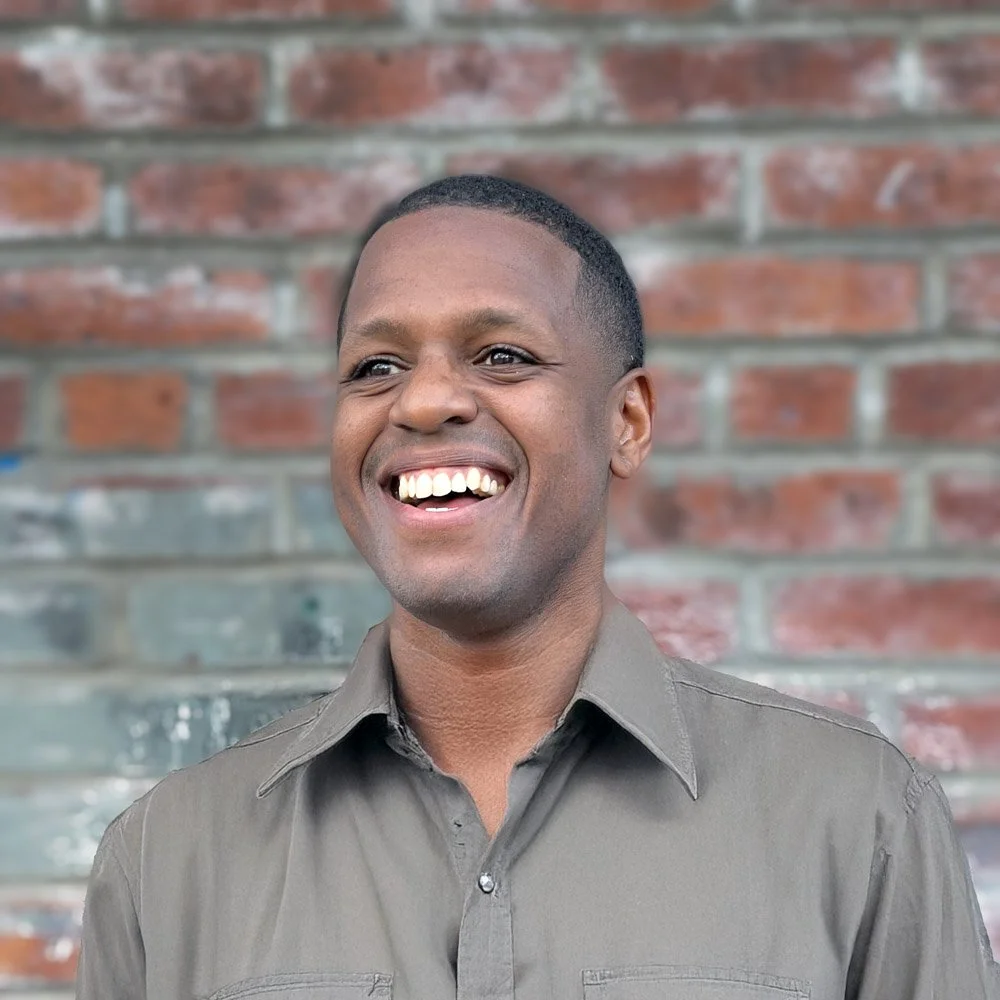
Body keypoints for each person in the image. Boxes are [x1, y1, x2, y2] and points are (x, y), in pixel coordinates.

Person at [77, 175, 999, 1000]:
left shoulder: (854, 816)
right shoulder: (168, 860)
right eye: (376, 367)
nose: (424, 402)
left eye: (502, 356)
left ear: (627, 422)